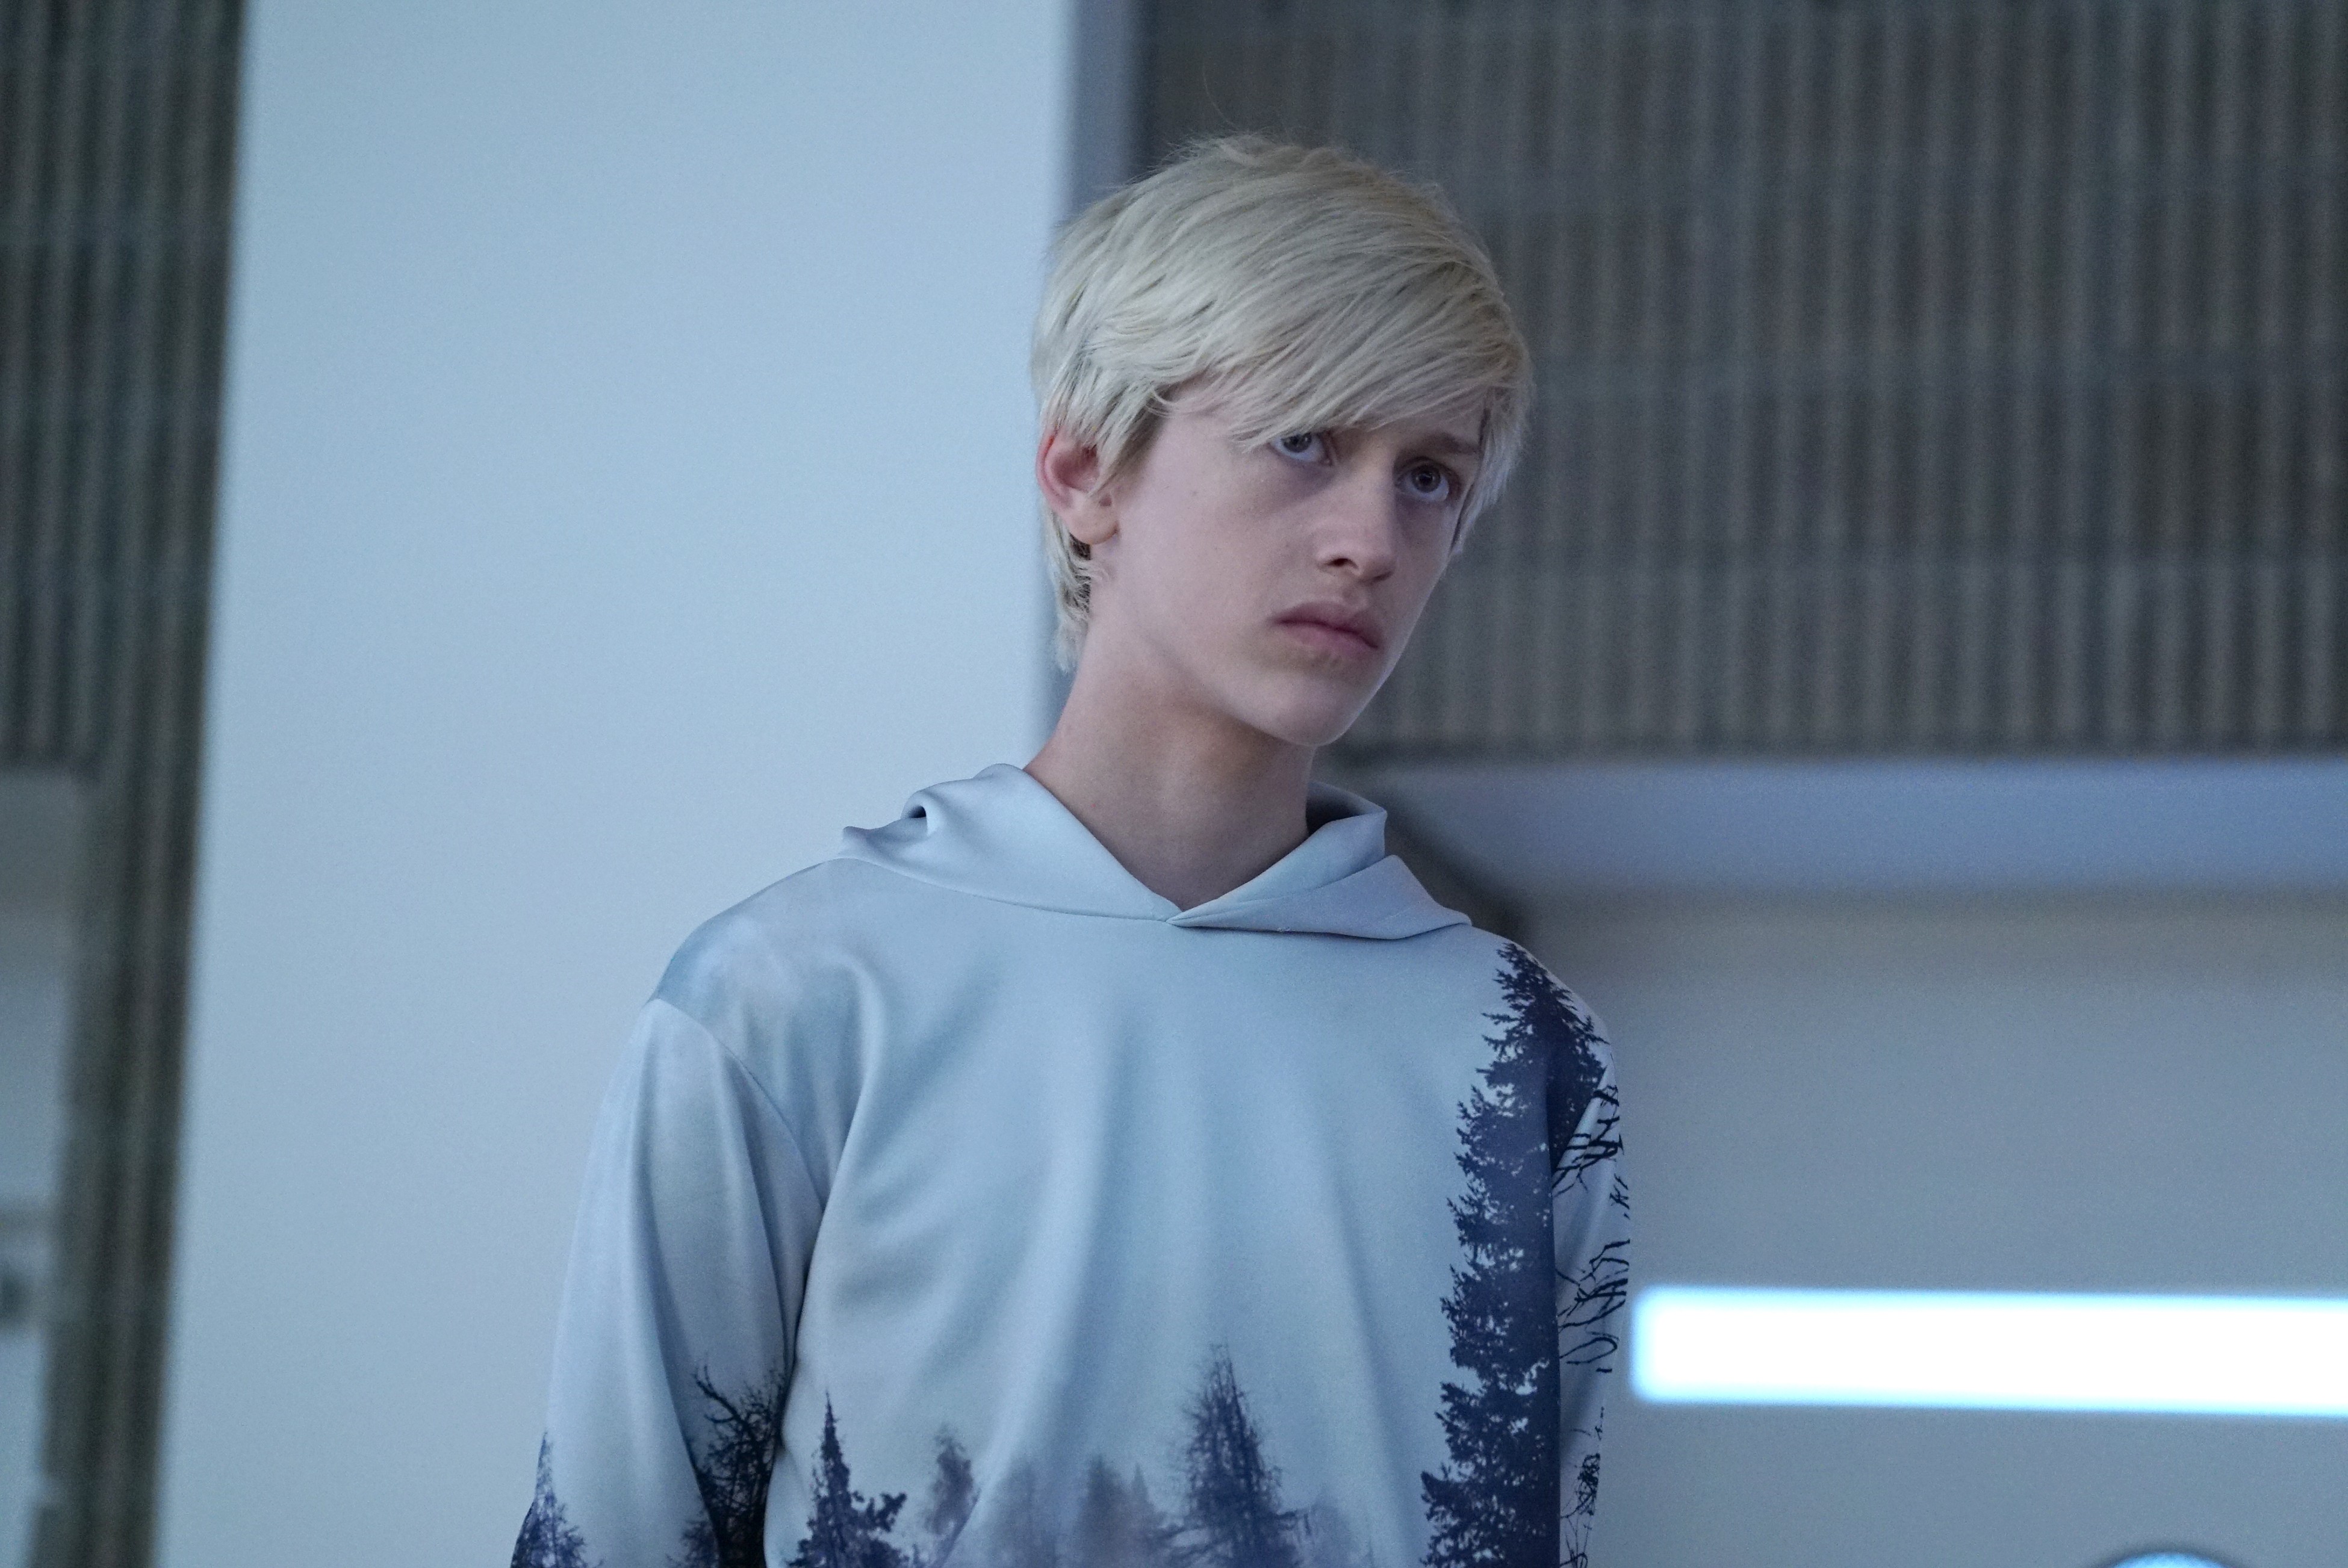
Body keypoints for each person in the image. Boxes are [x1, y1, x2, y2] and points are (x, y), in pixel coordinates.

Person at [512, 136, 1629, 1568]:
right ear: (1086, 469)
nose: (1370, 538)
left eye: (1428, 476)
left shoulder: (1527, 1055)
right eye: (1304, 439)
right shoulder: (791, 1003)